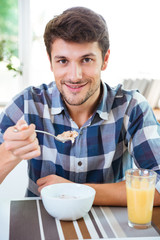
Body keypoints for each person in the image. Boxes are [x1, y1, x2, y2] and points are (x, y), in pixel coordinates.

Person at [0, 6, 160, 206]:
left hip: (109, 227)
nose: (75, 76)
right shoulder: (27, 104)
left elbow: (158, 186)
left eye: (86, 60)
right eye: (63, 61)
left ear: (105, 59)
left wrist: (75, 191)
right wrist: (10, 152)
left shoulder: (131, 107)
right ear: (51, 62)